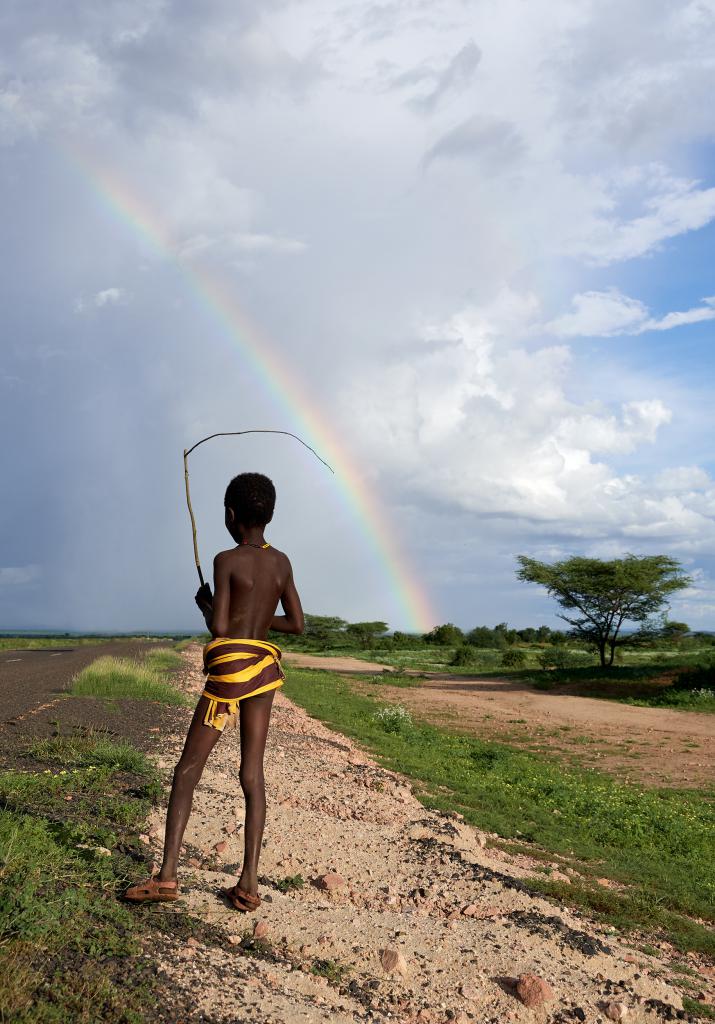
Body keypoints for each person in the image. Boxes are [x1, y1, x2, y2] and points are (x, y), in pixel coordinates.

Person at [125, 472, 304, 911]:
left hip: (228, 672)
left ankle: (167, 877)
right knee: (251, 773)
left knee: (188, 769)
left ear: (230, 515)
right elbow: (298, 625)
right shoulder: (281, 563)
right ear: (270, 514)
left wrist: (207, 606)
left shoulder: (226, 560)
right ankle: (248, 884)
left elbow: (221, 628)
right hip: (264, 668)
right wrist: (258, 623)